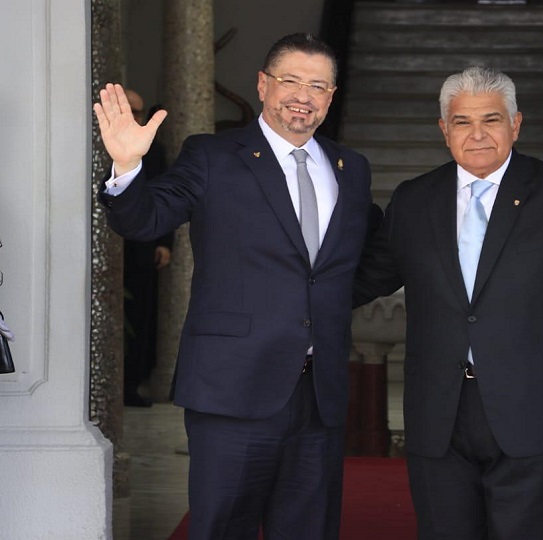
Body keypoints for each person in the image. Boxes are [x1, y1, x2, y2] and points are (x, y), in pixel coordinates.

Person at [94, 33, 375, 539]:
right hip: (232, 388)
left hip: (320, 394)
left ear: (331, 97)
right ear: (264, 85)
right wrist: (128, 169)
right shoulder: (212, 155)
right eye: (290, 80)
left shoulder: (350, 168)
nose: (303, 96)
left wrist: (324, 304)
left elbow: (362, 259)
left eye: (318, 85)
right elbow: (144, 219)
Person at [354, 66, 543, 539]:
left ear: (516, 124)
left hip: (539, 406)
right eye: (463, 122)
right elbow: (367, 279)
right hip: (440, 411)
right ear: (444, 130)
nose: (478, 134)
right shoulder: (413, 200)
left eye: (492, 119)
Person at [122, 89, 174, 408]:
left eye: (138, 112)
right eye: (127, 110)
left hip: (141, 250)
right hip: (100, 249)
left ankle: (131, 384)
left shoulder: (154, 152)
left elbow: (165, 199)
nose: (134, 117)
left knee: (140, 318)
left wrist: (165, 243)